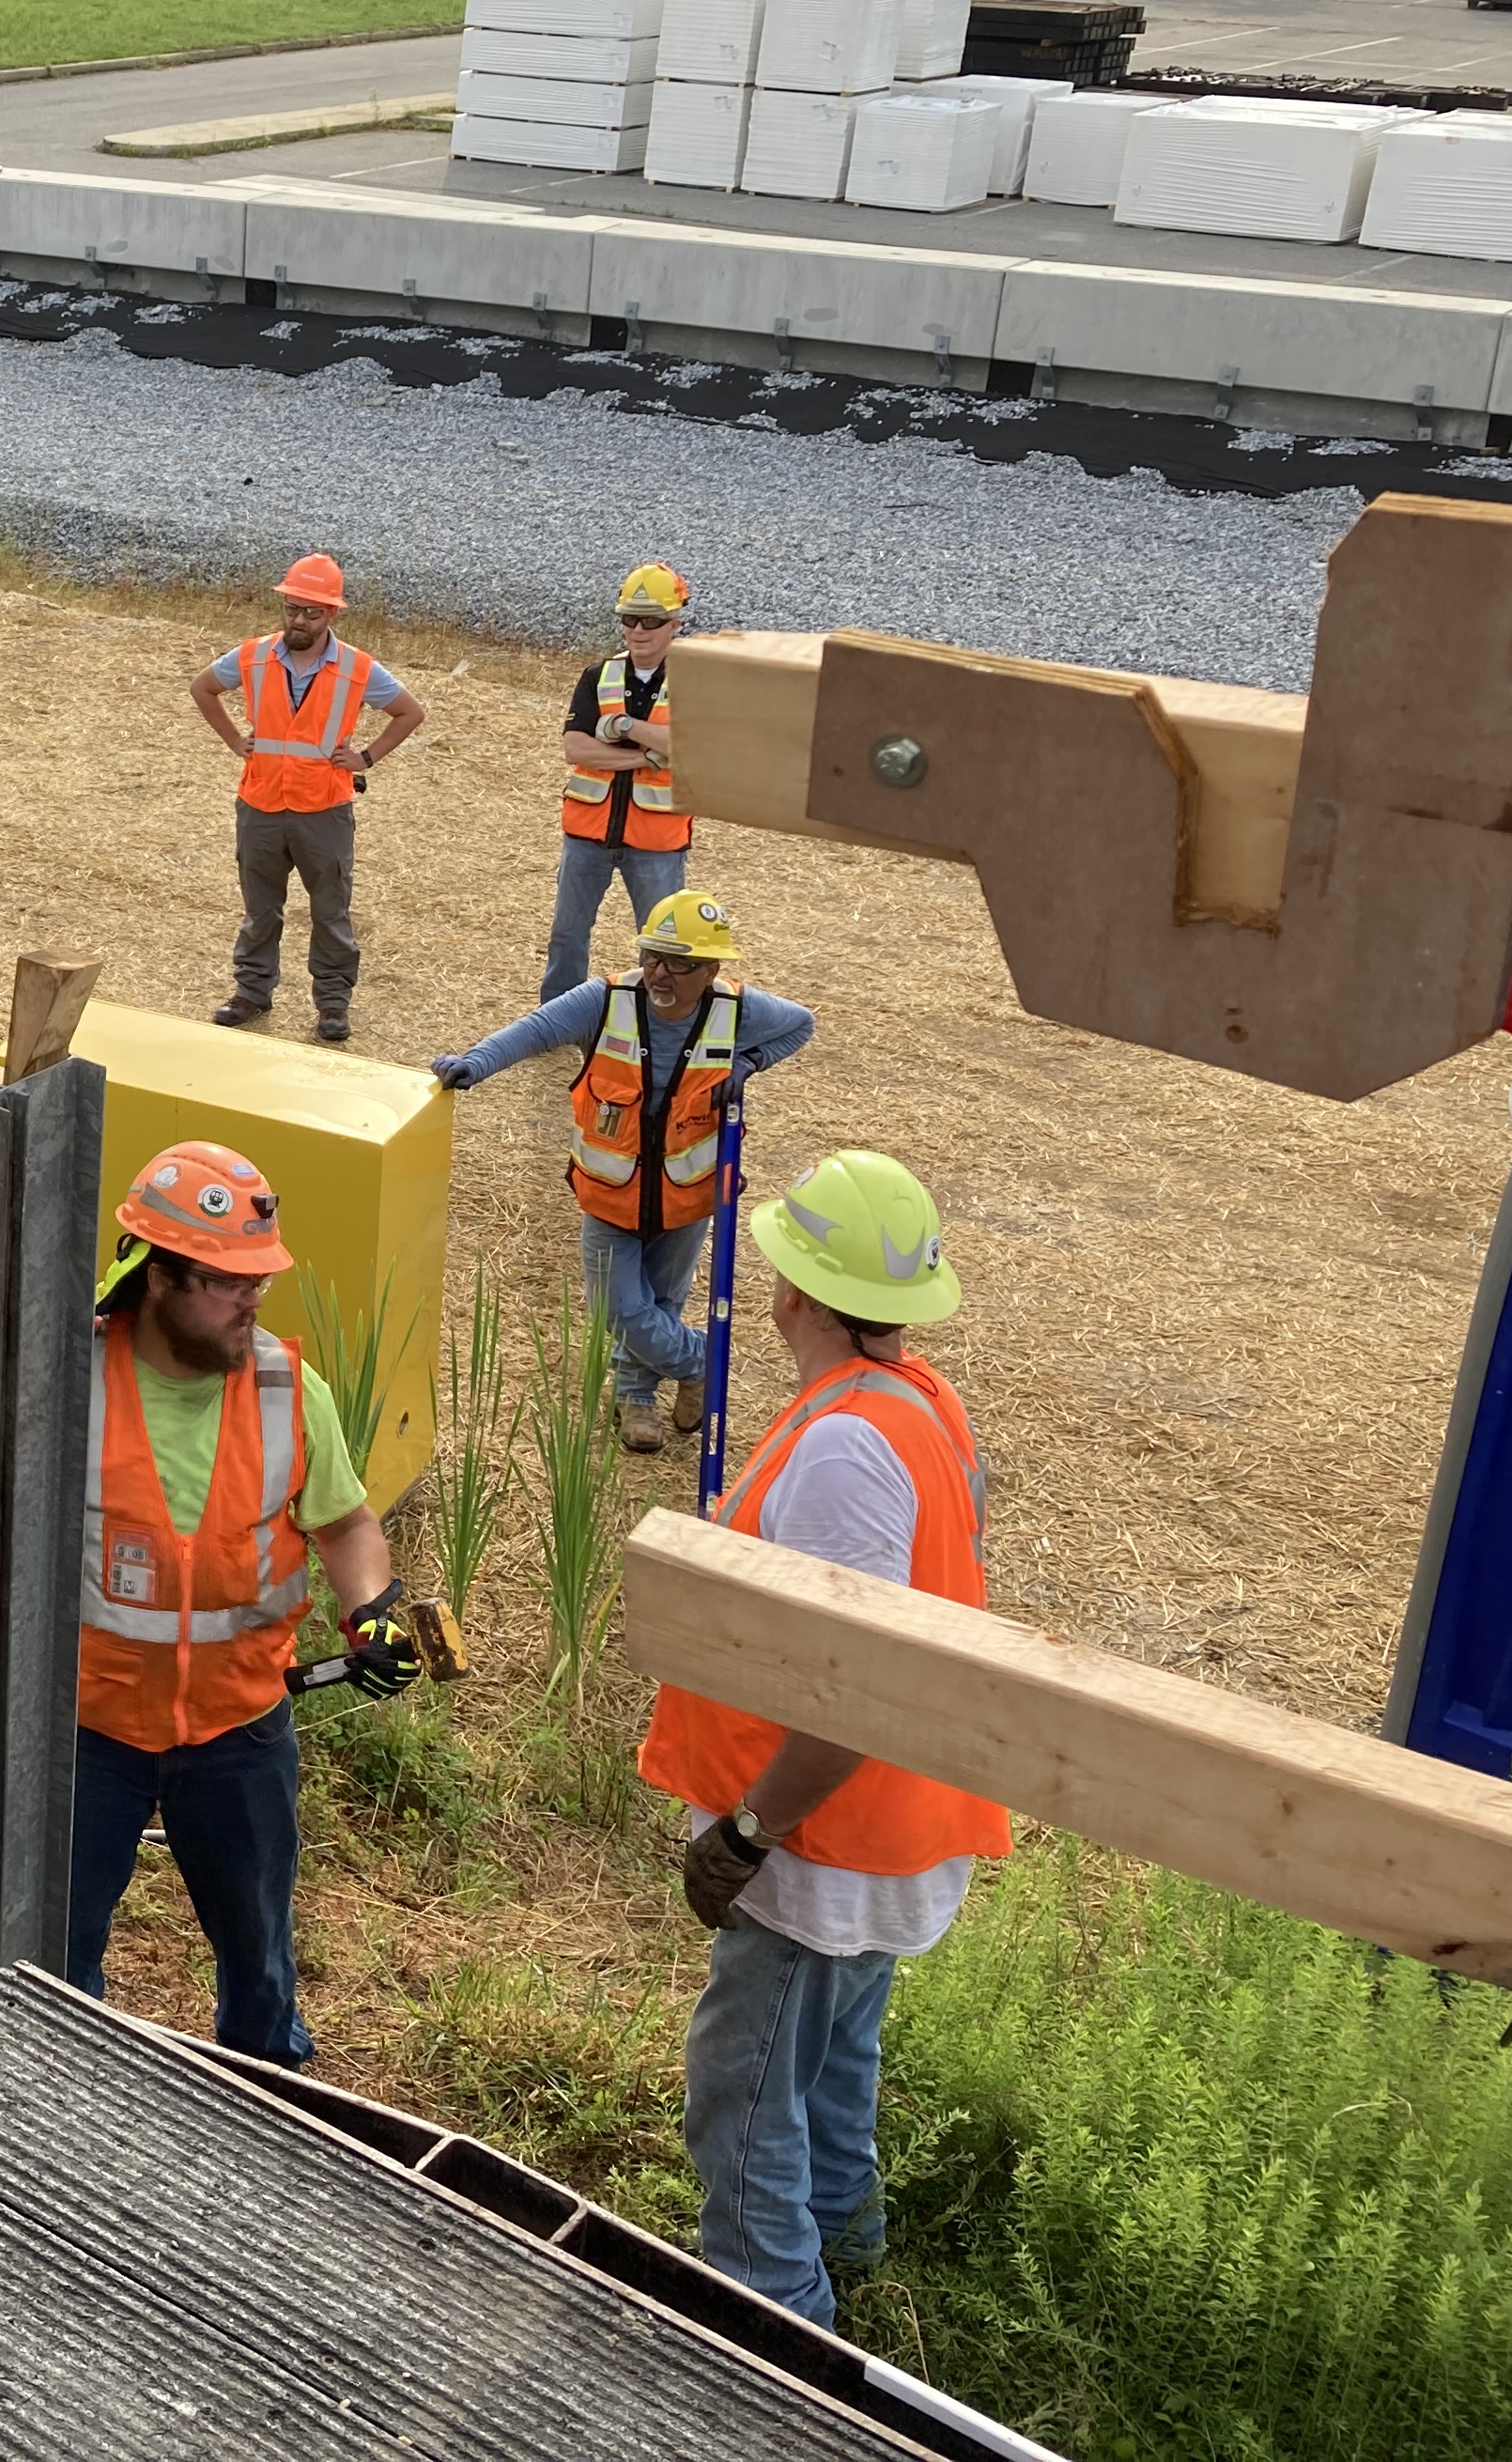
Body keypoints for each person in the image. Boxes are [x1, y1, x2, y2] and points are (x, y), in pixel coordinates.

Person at [0, 1143, 424, 2064]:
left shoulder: (290, 1390)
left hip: (240, 1732)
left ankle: (267, 2088)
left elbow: (347, 1528)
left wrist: (372, 1608)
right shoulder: (70, 1375)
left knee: (258, 1954)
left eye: (260, 1279)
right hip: (90, 1736)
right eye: (227, 1281)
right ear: (159, 1277)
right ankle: (57, 2088)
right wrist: (22, 1344)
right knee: (54, 1954)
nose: (254, 1300)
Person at [640, 1149, 1010, 2326]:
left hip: (820, 1849)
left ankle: (774, 2323)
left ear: (795, 1292)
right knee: (837, 2059)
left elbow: (851, 1687)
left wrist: (749, 1833)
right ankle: (849, 2245)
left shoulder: (846, 1444)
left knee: (742, 2091)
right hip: (893, 1829)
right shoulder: (921, 1404)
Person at [428, 893, 812, 1454]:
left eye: (678, 963)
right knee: (619, 1308)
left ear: (711, 971)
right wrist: (475, 1063)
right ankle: (703, 1361)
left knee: (660, 1301)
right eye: (653, 956)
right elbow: (535, 1030)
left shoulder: (737, 1012)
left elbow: (800, 1026)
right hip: (611, 1195)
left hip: (687, 1198)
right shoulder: (606, 1000)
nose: (660, 972)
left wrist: (749, 1063)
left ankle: (636, 1400)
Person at [192, 554, 427, 1045]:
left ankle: (333, 1005)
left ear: (333, 615)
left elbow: (409, 712)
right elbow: (204, 688)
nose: (299, 620)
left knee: (330, 912)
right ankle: (252, 993)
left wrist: (366, 757)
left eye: (311, 612)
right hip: (260, 804)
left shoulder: (359, 669)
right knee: (261, 908)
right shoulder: (253, 655)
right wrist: (237, 742)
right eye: (292, 608)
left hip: (324, 809)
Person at [547, 563, 695, 1003]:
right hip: (588, 833)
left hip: (657, 841)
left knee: (661, 947)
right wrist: (647, 756)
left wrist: (626, 724)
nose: (638, 630)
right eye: (629, 619)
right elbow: (576, 749)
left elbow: (689, 748)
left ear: (674, 624)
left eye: (650, 621)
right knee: (567, 937)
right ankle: (556, 1021)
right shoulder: (598, 676)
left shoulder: (698, 681)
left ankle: (657, 1022)